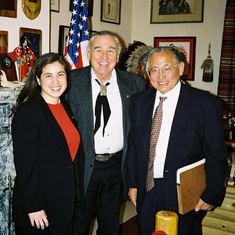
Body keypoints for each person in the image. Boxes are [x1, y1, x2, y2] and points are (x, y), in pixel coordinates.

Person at [126, 46, 228, 235]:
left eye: (167, 68)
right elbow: (133, 147)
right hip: (147, 188)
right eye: (154, 70)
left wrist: (211, 193)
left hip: (184, 191)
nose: (161, 75)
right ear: (148, 73)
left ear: (180, 69)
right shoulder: (138, 102)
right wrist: (132, 184)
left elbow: (216, 154)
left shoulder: (205, 104)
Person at [66, 30, 145, 234]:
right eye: (98, 50)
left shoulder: (133, 83)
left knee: (110, 225)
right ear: (89, 53)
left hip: (116, 166)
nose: (104, 57)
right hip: (82, 165)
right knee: (79, 224)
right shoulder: (71, 82)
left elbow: (140, 128)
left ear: (117, 56)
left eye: (111, 51)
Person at [11, 52, 81, 235]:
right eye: (48, 75)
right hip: (40, 208)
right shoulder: (28, 113)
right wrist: (34, 206)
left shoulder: (65, 106)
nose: (55, 81)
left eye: (60, 74)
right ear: (38, 80)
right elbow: (26, 166)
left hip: (64, 201)